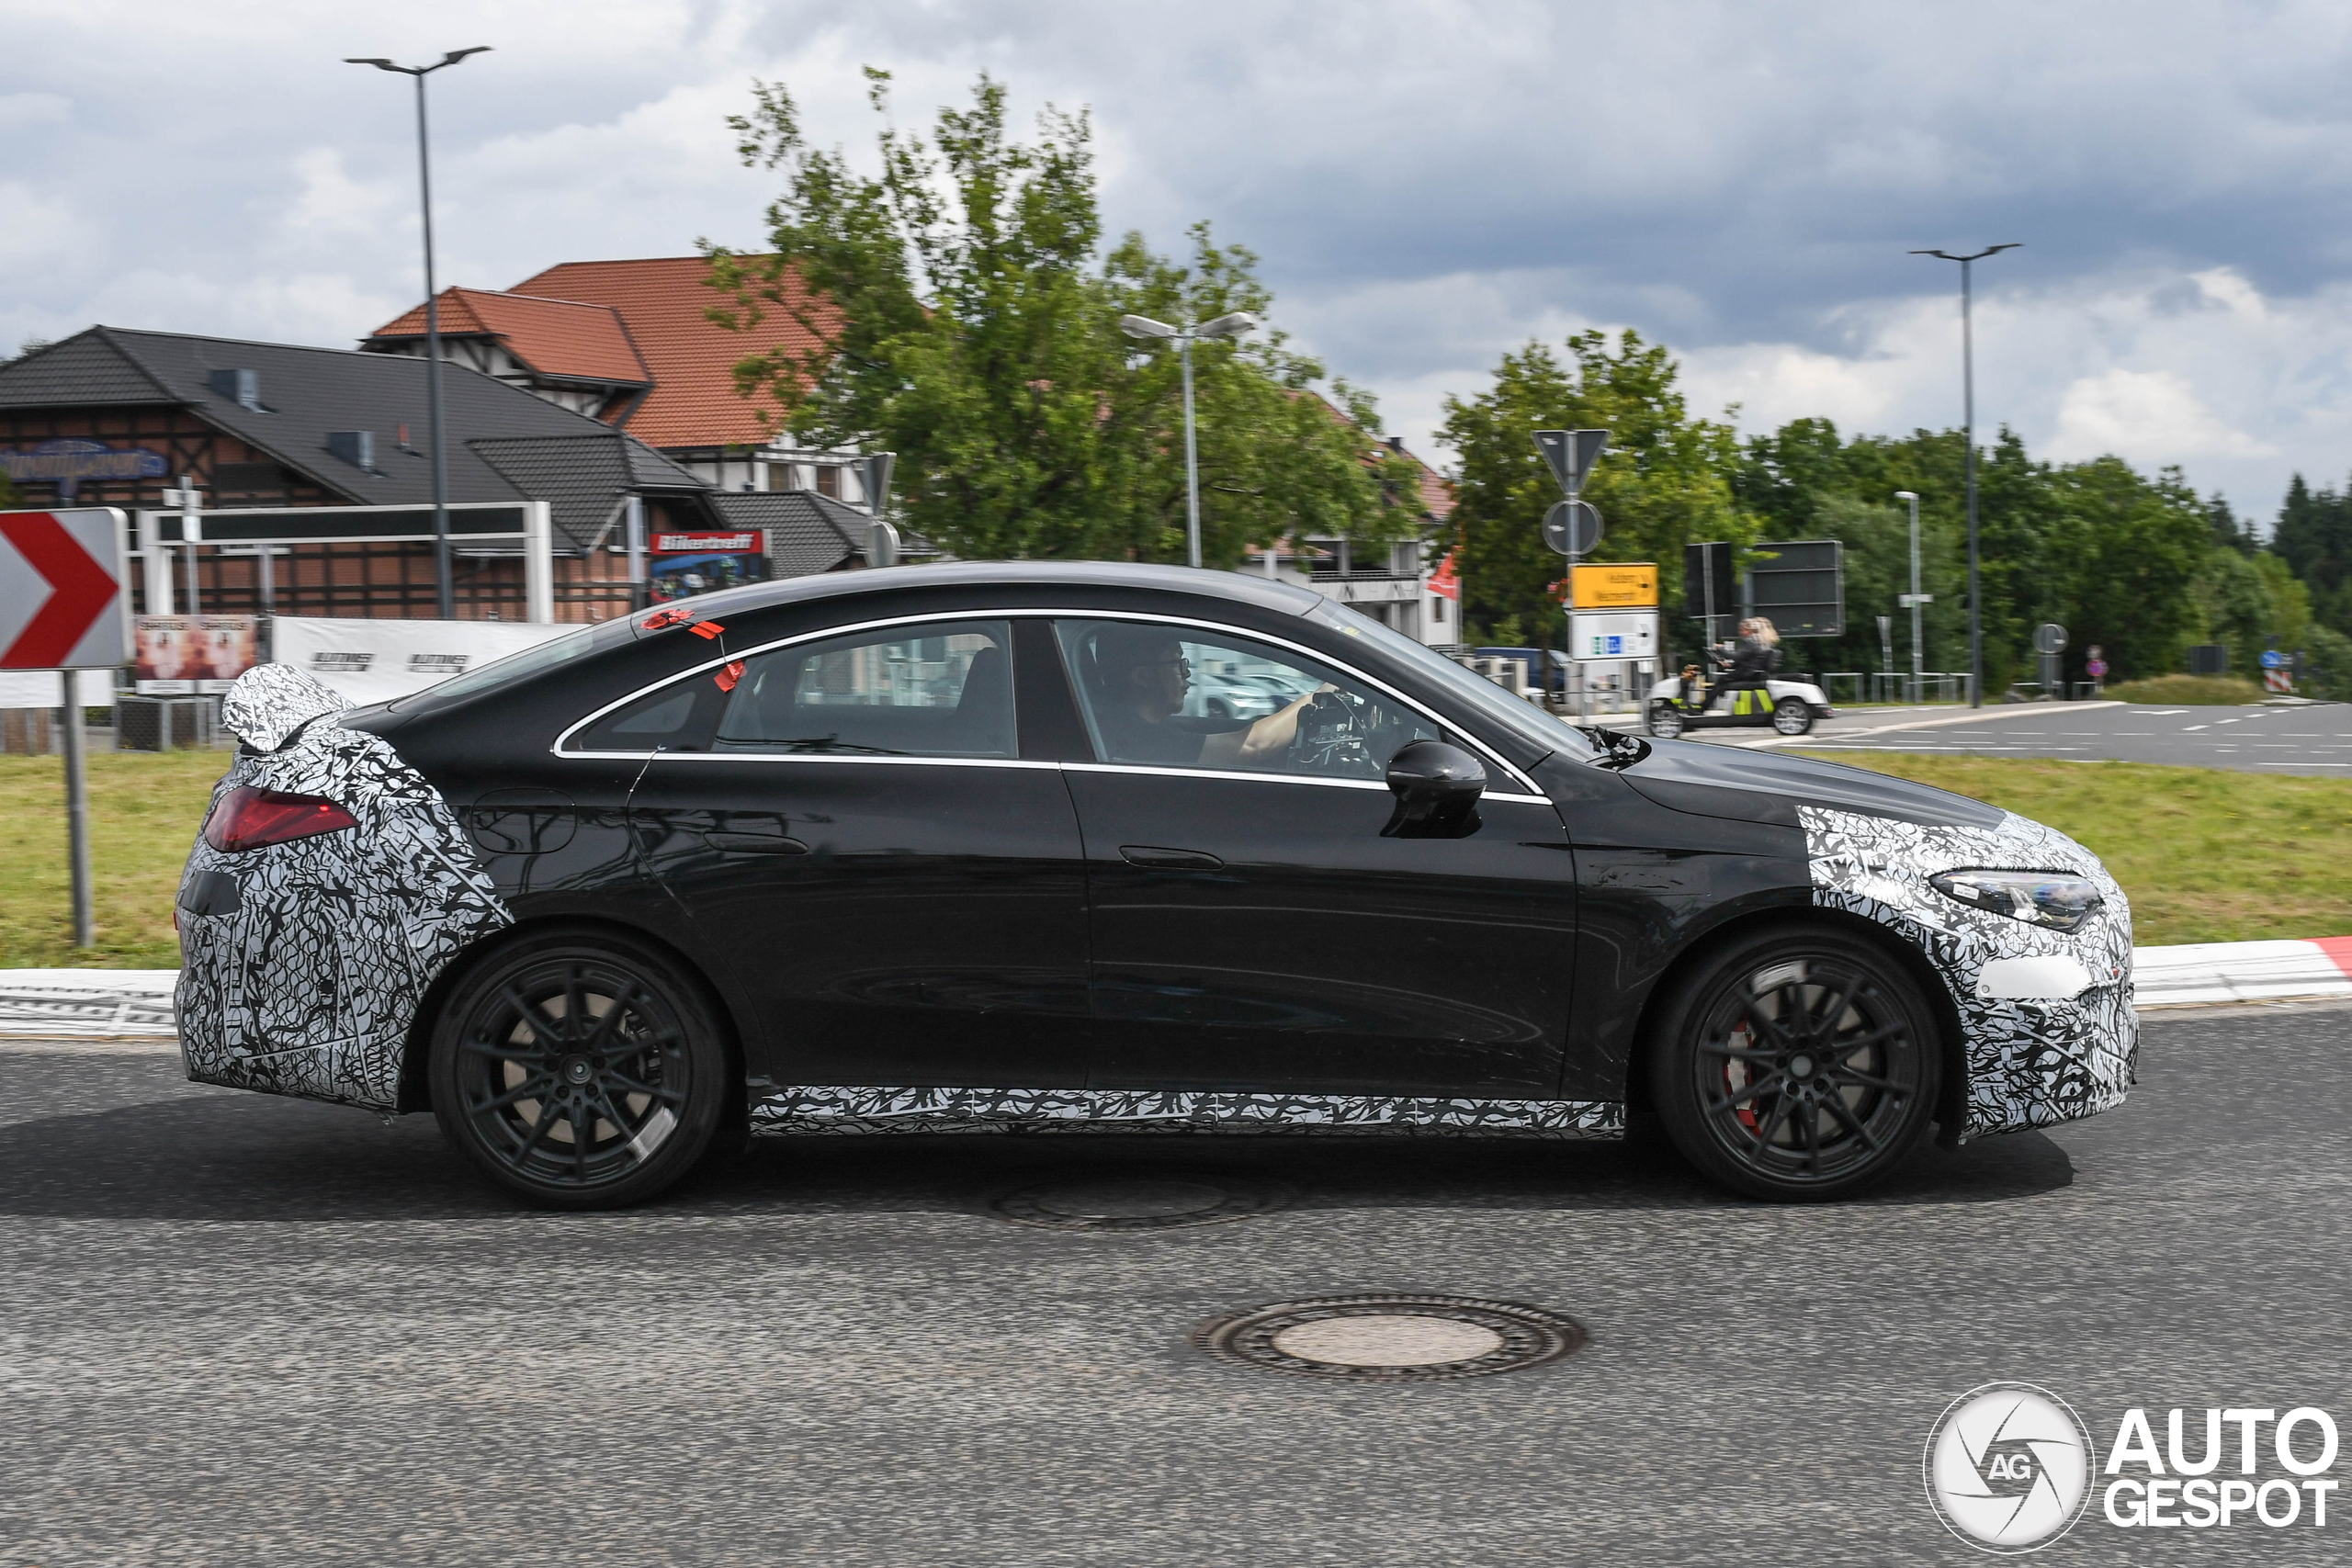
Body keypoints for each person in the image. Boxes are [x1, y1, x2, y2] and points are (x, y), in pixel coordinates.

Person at [1091, 626, 1332, 767]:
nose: (1187, 672)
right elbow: (1253, 745)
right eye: (1177, 662)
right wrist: (1322, 694)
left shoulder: (1120, 727)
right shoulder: (1140, 739)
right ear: (1142, 676)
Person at [1708, 617, 1781, 712]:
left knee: (1722, 681)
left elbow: (1736, 657)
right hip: (1754, 673)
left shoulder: (1752, 643)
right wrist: (1732, 665)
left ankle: (1704, 708)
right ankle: (1709, 706)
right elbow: (1748, 660)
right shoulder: (1762, 644)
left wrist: (1721, 648)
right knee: (1723, 681)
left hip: (1748, 674)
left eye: (1743, 630)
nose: (1741, 633)